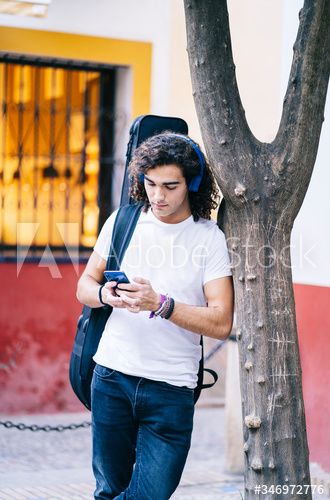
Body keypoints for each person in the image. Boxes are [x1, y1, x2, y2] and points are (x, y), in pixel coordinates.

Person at [76, 132, 234, 500]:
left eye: (170, 186)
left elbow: (221, 321)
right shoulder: (123, 221)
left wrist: (159, 304)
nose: (158, 196)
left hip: (171, 389)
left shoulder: (208, 238)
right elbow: (84, 285)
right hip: (112, 379)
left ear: (192, 185)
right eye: (150, 184)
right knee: (109, 490)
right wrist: (106, 294)